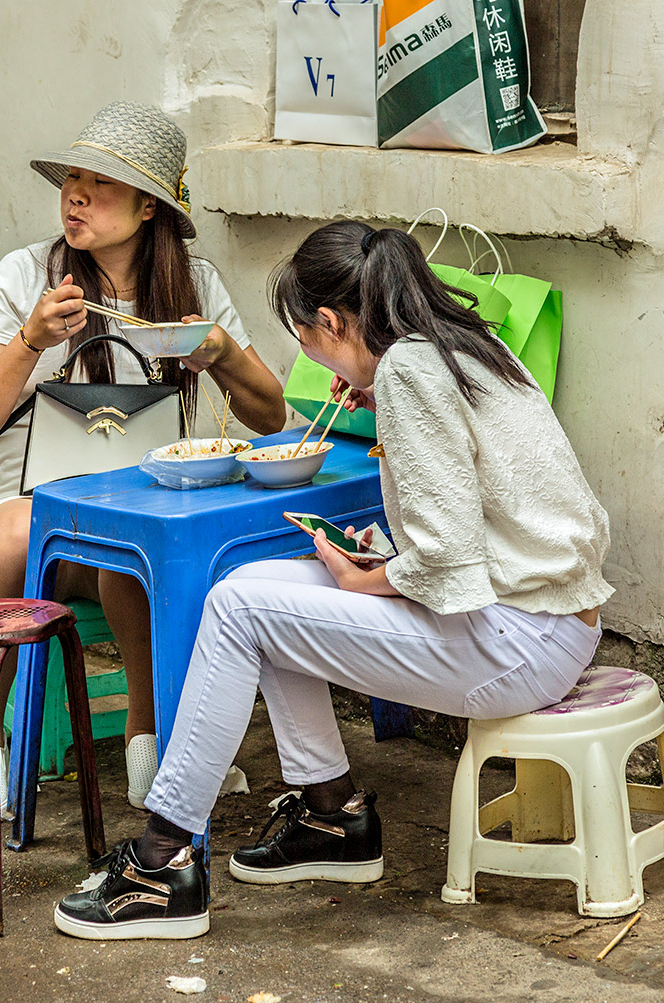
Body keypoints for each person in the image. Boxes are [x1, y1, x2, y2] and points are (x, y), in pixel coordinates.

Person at [52, 220, 614, 940]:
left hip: (517, 638)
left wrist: (367, 581)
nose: (313, 358)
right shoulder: (462, 343)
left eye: (308, 340)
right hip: (550, 621)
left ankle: (161, 865)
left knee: (238, 607)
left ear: (332, 321)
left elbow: (446, 560)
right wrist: (382, 415)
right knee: (261, 586)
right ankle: (332, 815)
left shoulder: (411, 370)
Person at [0, 101, 286, 826]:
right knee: (14, 535)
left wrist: (221, 353)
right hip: (27, 514)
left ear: (149, 207)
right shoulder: (25, 277)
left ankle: (151, 744)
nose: (76, 194)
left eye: (101, 182)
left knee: (136, 544)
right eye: (72, 176)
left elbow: (271, 417)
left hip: (141, 513)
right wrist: (30, 341)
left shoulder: (193, 286)